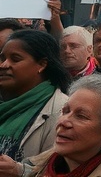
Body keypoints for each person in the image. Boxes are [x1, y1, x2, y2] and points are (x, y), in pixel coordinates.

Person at [0, 30, 70, 169]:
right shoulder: (4, 103)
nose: (3, 65)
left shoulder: (62, 110)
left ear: (42, 65)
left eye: (15, 59)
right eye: (2, 58)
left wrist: (19, 171)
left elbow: (59, 168)